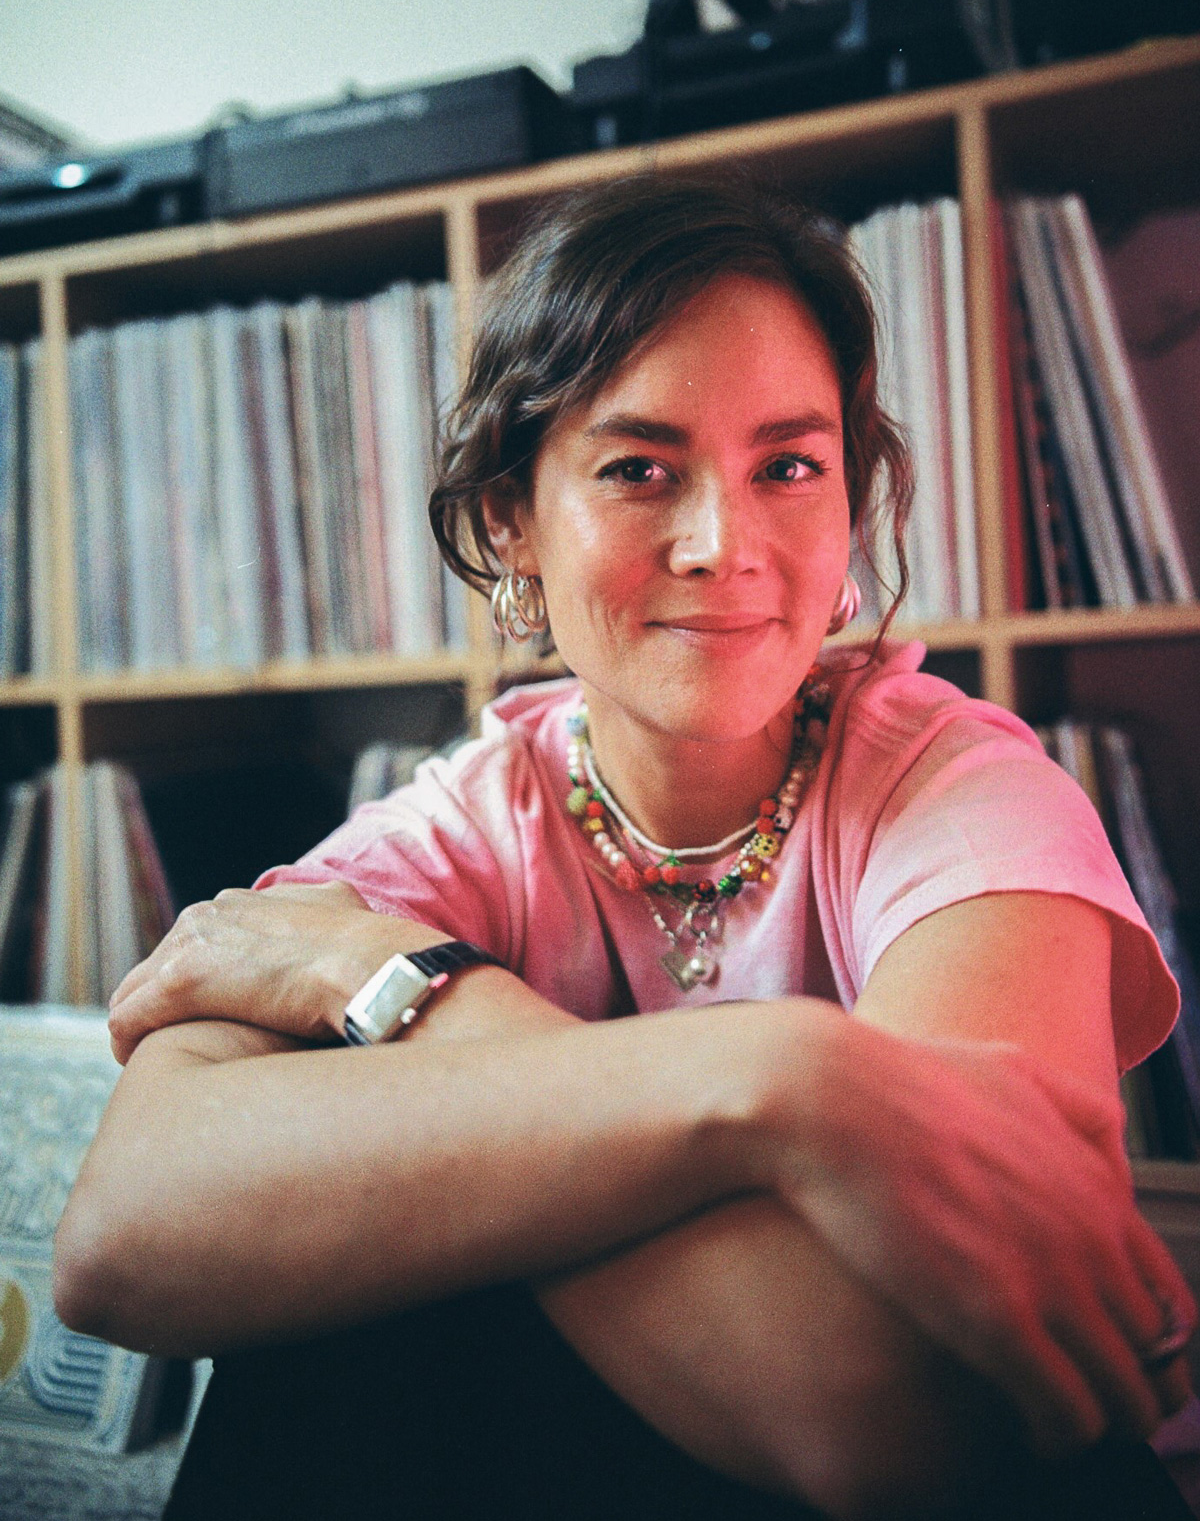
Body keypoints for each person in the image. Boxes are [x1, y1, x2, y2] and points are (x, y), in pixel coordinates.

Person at [54, 176, 1196, 1520]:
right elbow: (120, 1237)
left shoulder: (967, 795)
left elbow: (895, 1415)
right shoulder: (461, 822)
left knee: (382, 1288)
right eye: (638, 469)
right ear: (511, 522)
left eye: (790, 466)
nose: (723, 544)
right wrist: (785, 1094)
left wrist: (407, 1002)